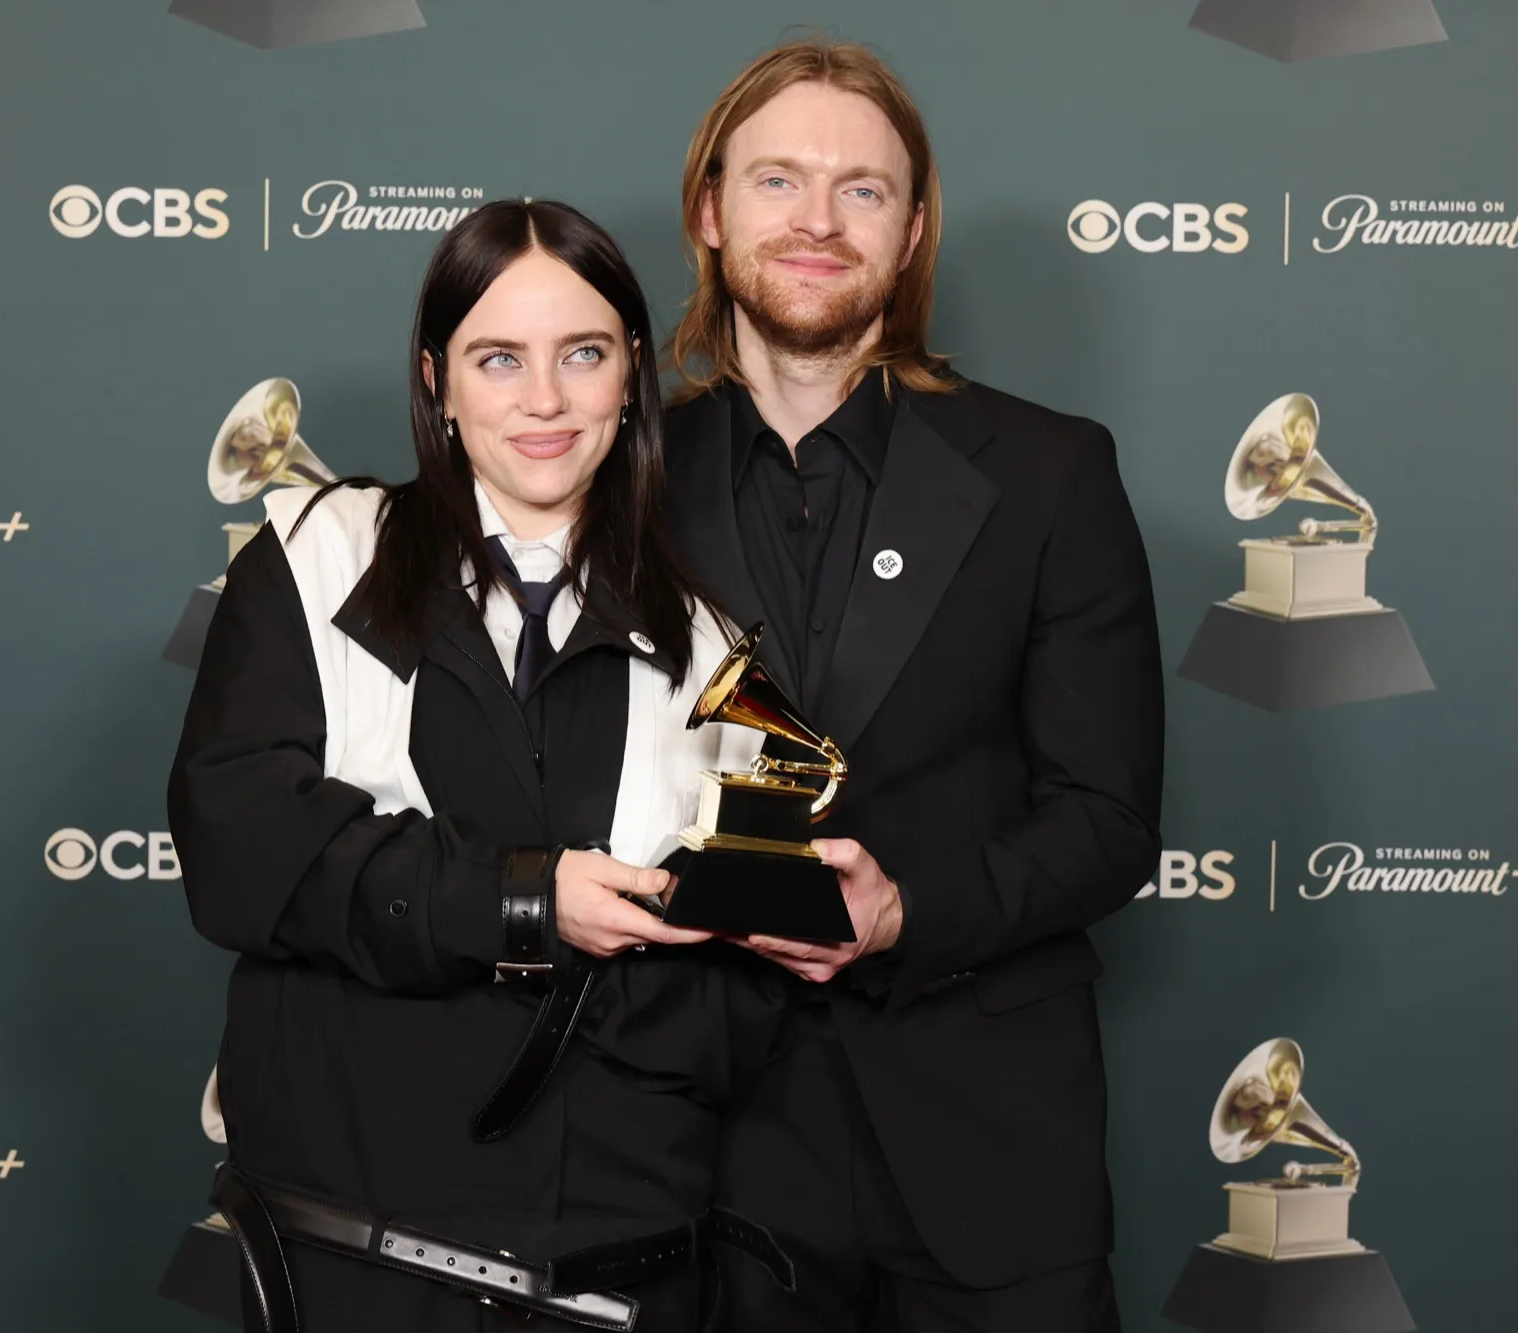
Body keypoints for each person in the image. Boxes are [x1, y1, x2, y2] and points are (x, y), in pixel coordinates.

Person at [170, 199, 793, 1333]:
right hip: (350, 1270)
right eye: (497, 358)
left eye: (583, 355)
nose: (544, 400)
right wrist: (523, 900)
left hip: (623, 1275)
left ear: (631, 375)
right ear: (436, 381)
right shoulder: (315, 557)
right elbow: (240, 847)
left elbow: (735, 1007)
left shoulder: (715, 647)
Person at [661, 40, 1166, 1332]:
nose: (819, 221)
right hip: (700, 1158)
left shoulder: (1052, 474)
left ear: (915, 229)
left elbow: (1106, 823)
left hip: (993, 1157)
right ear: (712, 214)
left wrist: (905, 911)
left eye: (864, 190)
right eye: (779, 181)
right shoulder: (621, 480)